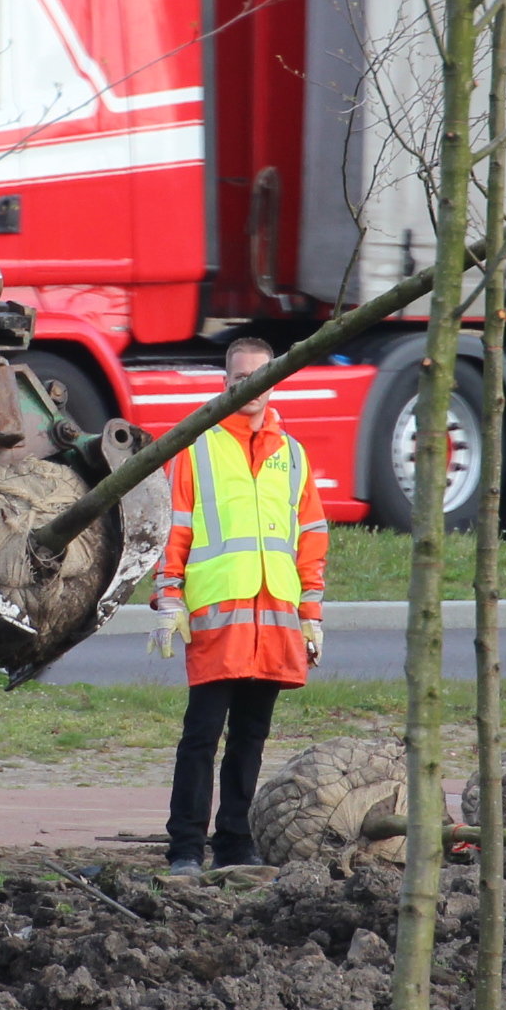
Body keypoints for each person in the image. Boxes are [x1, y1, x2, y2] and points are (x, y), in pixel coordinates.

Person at [149, 331, 328, 876]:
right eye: (238, 377)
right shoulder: (194, 447)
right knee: (201, 737)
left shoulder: (291, 456)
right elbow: (171, 531)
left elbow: (310, 540)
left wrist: (312, 617)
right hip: (217, 621)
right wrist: (167, 598)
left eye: (260, 376)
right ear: (223, 383)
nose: (249, 386)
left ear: (276, 380)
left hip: (274, 623)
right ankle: (185, 849)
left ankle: (233, 845)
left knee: (250, 739)